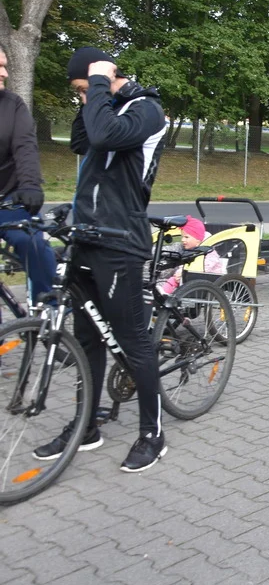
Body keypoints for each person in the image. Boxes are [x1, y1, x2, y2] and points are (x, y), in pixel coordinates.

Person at [33, 47, 169, 473]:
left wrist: (97, 85)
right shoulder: (102, 108)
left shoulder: (148, 110)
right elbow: (82, 140)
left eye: (82, 89)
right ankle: (86, 424)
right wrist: (94, 95)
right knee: (88, 338)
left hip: (121, 242)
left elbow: (106, 137)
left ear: (102, 77)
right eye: (79, 91)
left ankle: (153, 433)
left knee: (133, 341)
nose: (81, 97)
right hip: (87, 236)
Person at [0, 45, 57, 304]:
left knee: (33, 243)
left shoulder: (12, 105)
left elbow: (25, 147)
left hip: (9, 197)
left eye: (5, 66)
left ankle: (48, 308)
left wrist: (31, 185)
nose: (4, 74)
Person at [156, 215, 227, 295]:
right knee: (174, 279)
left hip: (208, 280)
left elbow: (205, 266)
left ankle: (165, 292)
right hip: (191, 279)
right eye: (182, 237)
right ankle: (164, 292)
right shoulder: (190, 249)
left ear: (198, 240)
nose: (183, 240)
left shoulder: (210, 253)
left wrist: (183, 273)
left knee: (177, 279)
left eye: (186, 237)